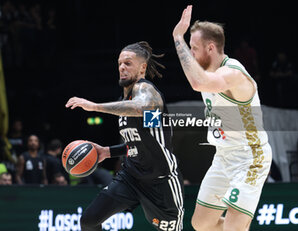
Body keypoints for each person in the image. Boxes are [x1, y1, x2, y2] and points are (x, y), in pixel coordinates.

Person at [66, 41, 184, 231]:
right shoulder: (124, 102)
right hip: (131, 177)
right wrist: (107, 152)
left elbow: (141, 107)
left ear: (142, 67)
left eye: (128, 63)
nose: (122, 67)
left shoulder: (147, 90)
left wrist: (95, 106)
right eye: (120, 63)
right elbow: (142, 141)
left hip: (160, 181)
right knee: (89, 221)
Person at [173, 6, 272, 231]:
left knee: (233, 228)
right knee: (201, 224)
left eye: (194, 48)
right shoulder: (207, 71)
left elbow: (198, 83)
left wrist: (178, 37)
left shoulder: (233, 73)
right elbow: (200, 79)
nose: (191, 53)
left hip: (250, 158)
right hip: (224, 156)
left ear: (211, 48)